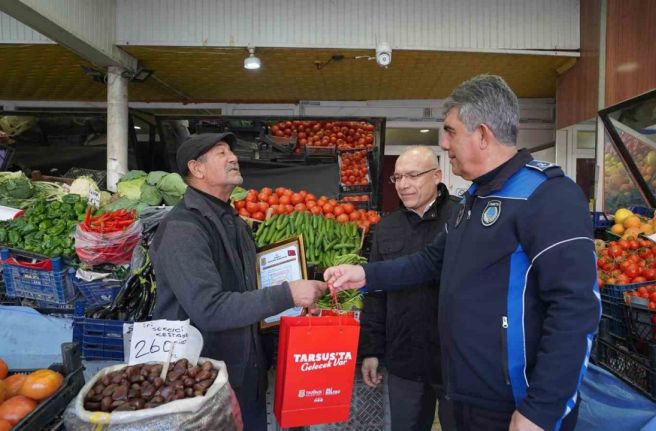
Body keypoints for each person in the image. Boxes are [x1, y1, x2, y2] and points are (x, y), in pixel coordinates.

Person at [325, 75, 600, 431]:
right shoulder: (473, 199)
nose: (443, 142)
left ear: (483, 135)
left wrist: (542, 409)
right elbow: (430, 260)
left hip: (517, 407)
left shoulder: (548, 196)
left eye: (450, 131)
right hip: (464, 396)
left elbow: (576, 308)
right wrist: (365, 275)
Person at [150, 132, 327, 431]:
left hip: (243, 372)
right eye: (221, 153)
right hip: (201, 383)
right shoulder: (183, 228)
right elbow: (209, 308)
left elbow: (254, 281)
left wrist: (310, 279)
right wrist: (289, 294)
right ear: (197, 168)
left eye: (231, 151)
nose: (233, 157)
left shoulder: (233, 221)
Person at [360, 146, 458, 431]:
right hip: (404, 359)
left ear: (437, 176)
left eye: (413, 175)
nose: (403, 185)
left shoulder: (461, 218)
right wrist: (371, 350)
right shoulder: (386, 227)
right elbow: (375, 294)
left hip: (454, 360)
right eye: (398, 177)